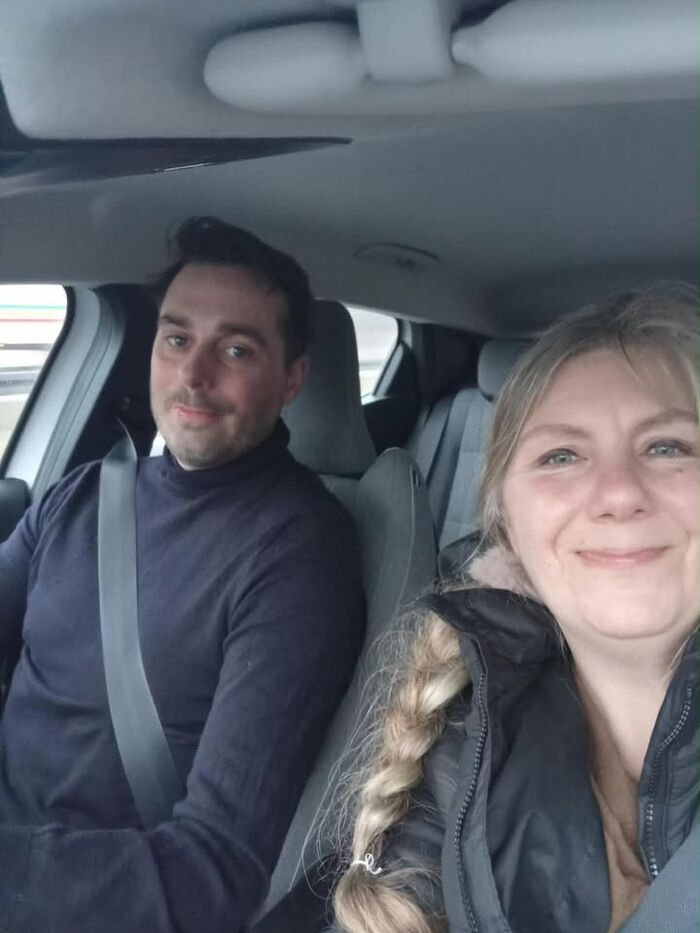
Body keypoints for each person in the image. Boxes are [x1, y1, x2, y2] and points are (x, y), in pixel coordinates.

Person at [0, 217, 365, 932]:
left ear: (292, 378)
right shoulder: (82, 494)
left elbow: (215, 870)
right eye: (176, 339)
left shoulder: (301, 553)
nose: (194, 375)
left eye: (236, 349)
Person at [332, 287, 699, 933]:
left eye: (668, 446)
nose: (618, 493)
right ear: (506, 523)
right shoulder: (461, 741)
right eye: (561, 456)